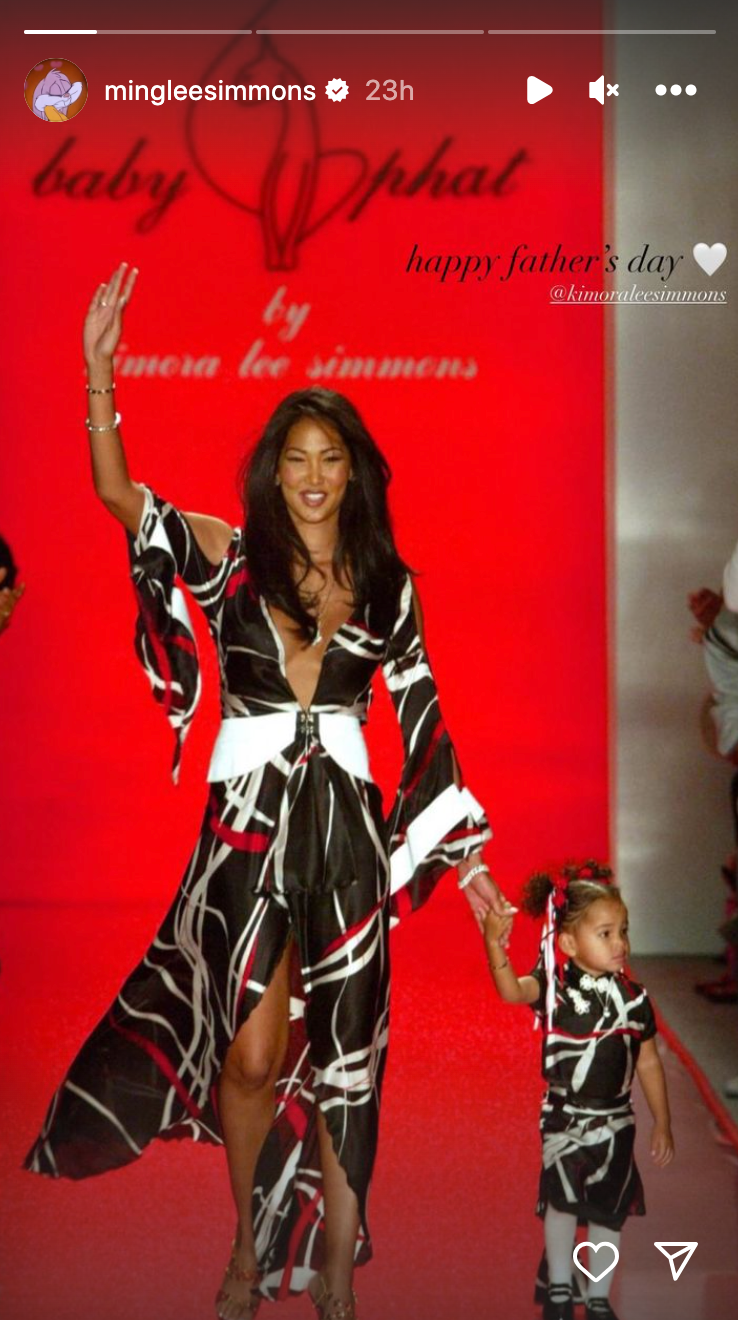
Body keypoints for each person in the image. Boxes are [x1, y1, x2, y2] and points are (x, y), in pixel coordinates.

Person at [23, 262, 509, 1320]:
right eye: (297, 458)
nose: (314, 476)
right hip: (243, 836)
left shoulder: (390, 588)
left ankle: (333, 1268)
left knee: (347, 1062)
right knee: (249, 1058)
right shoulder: (228, 559)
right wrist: (99, 374)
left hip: (348, 838)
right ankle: (247, 1243)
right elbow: (120, 498)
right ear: (273, 472)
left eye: (331, 458)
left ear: (355, 472)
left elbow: (424, 715)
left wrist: (469, 867)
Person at [483, 861, 674, 1320]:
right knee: (562, 1204)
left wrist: (662, 1121)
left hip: (617, 1124)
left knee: (609, 1213)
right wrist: (494, 945)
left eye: (623, 932)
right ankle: (560, 1289)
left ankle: (598, 1296)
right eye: (605, 934)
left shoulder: (635, 999)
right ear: (568, 943)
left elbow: (648, 1061)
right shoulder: (553, 988)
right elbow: (511, 991)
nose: (620, 943)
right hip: (564, 1119)